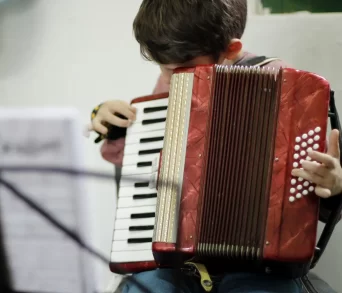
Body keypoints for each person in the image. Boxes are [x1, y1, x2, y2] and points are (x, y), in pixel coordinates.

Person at [88, 0, 342, 292]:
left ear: (231, 50)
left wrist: (334, 184)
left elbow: (317, 184)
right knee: (142, 288)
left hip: (261, 266)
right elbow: (147, 159)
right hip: (181, 261)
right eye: (165, 69)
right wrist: (116, 127)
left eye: (181, 70)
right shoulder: (168, 83)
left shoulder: (286, 87)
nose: (171, 79)